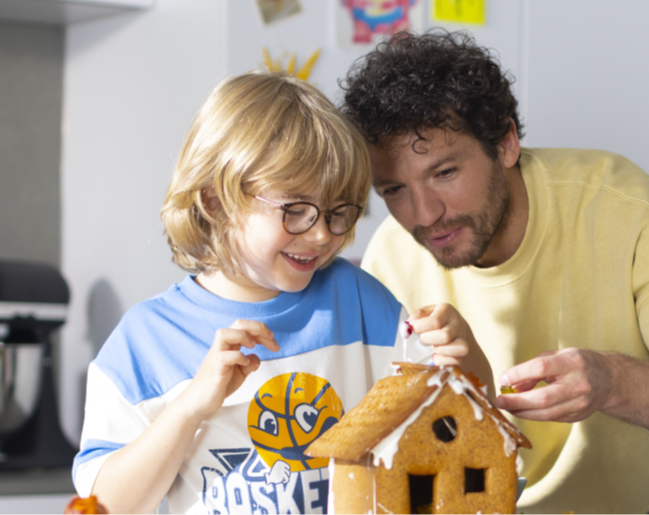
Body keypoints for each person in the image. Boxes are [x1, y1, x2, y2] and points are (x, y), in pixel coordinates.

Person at [344, 30, 649, 513]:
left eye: (444, 173)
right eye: (393, 190)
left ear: (506, 143)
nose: (424, 215)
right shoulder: (389, 258)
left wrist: (615, 382)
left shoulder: (622, 206)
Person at [71, 71, 485, 515]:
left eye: (337, 212)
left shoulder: (358, 300)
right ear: (215, 201)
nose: (323, 233)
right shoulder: (146, 340)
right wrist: (191, 406)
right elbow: (105, 505)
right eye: (296, 210)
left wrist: (465, 352)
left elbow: (468, 420)